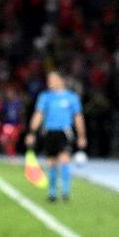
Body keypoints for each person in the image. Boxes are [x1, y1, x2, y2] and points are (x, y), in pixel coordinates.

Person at [25, 70, 86, 203]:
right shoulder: (45, 97)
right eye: (49, 79)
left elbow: (78, 117)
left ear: (61, 80)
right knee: (51, 161)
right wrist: (31, 133)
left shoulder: (71, 97)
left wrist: (81, 136)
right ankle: (52, 192)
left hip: (64, 132)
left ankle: (65, 192)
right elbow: (38, 115)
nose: (50, 82)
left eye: (53, 79)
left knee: (64, 159)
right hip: (49, 132)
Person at [0, 83, 26, 158]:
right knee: (3, 140)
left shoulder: (18, 102)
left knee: (13, 141)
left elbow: (21, 114)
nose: (8, 94)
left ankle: (11, 154)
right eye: (7, 92)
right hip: (6, 124)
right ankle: (7, 153)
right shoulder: (4, 102)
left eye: (10, 92)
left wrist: (22, 123)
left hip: (15, 124)